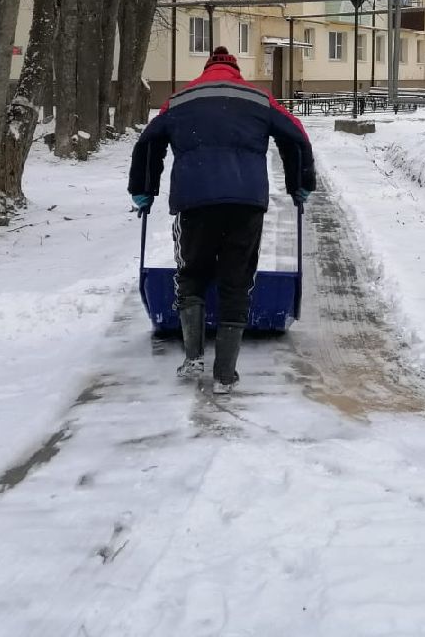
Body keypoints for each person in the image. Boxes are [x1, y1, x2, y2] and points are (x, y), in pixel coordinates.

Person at [128, 47, 315, 394]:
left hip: (194, 201)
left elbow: (149, 143)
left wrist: (144, 188)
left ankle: (193, 357)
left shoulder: (181, 99)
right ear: (236, 72)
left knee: (192, 274)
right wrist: (300, 184)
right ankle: (225, 374)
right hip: (246, 202)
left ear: (207, 69)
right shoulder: (259, 98)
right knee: (236, 280)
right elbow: (296, 136)